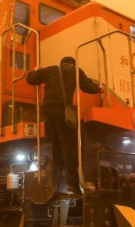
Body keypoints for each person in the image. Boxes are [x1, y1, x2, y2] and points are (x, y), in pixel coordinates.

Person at [27, 56, 101, 193]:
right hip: (62, 111)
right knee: (70, 145)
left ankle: (58, 167)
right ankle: (72, 184)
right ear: (72, 64)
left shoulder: (50, 70)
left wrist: (36, 71)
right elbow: (88, 87)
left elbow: (31, 79)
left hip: (48, 111)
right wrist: (99, 88)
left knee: (58, 139)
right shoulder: (75, 71)